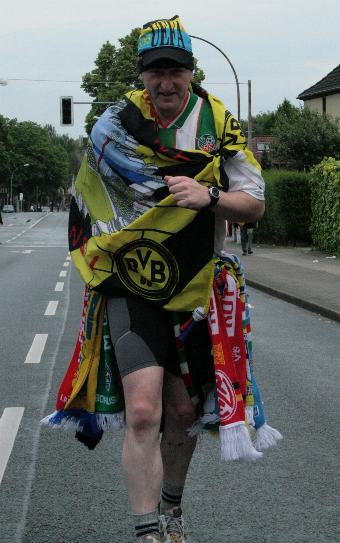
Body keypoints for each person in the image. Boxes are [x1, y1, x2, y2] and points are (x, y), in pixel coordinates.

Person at [45, 16, 266, 542]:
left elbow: (254, 205)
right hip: (129, 283)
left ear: (190, 72)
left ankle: (172, 510)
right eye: (154, 72)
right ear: (142, 76)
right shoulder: (113, 126)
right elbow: (90, 201)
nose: (165, 82)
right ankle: (148, 534)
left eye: (175, 70)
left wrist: (208, 196)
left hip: (193, 289)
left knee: (183, 410)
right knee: (143, 410)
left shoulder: (219, 126)